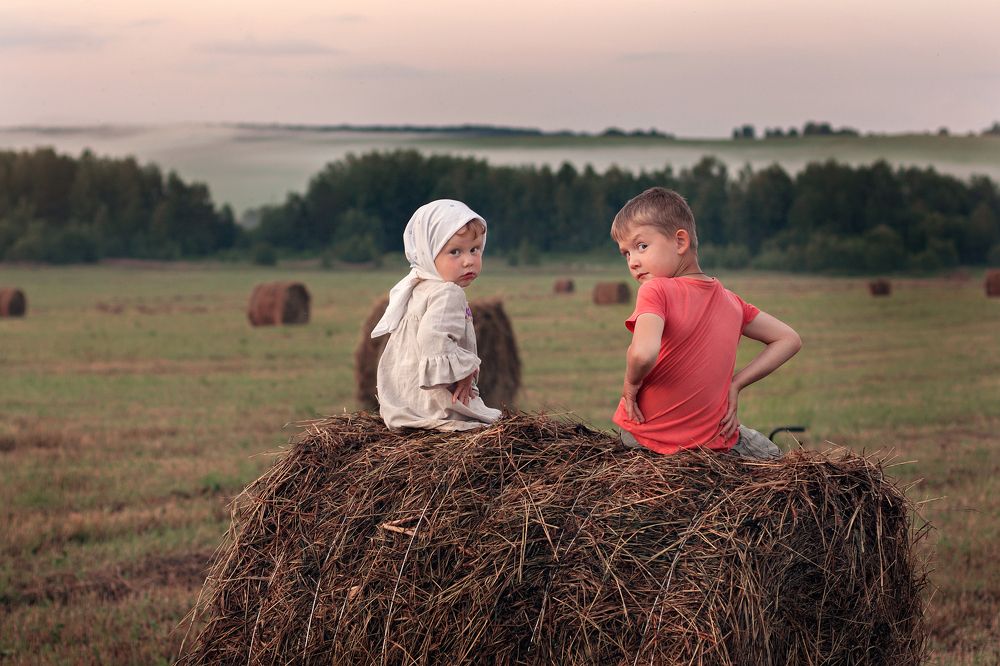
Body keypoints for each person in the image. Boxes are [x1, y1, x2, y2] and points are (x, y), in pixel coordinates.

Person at [611, 187, 802, 459]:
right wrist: (735, 384)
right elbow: (789, 339)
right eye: (626, 253)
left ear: (680, 242)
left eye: (641, 246)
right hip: (711, 443)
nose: (633, 262)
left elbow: (643, 353)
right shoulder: (733, 302)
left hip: (642, 436)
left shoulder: (655, 290)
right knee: (776, 459)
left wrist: (630, 386)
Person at [371, 199, 502, 431]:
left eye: (475, 249)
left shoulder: (418, 288)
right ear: (427, 253)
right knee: (495, 423)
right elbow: (433, 340)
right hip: (436, 404)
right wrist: (465, 370)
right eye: (455, 252)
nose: (468, 260)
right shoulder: (449, 292)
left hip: (406, 402)